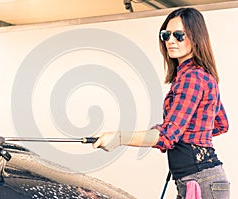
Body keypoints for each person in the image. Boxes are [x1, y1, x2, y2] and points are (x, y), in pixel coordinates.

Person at [92, 7, 230, 199]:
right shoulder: (201, 75)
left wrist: (119, 137)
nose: (170, 41)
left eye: (179, 35)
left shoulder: (192, 78)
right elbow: (221, 124)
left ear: (195, 37)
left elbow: (168, 136)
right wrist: (184, 136)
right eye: (166, 35)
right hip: (201, 178)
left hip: (200, 180)